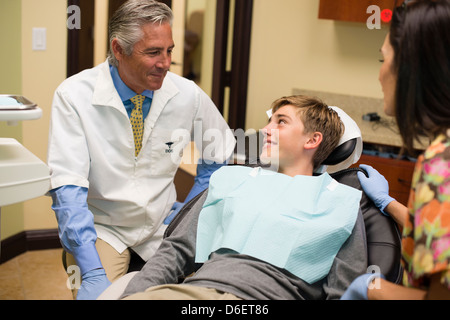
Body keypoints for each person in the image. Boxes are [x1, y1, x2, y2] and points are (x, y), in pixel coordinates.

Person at [47, 0, 235, 300]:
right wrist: (92, 272)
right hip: (103, 228)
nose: (165, 63)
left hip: (163, 225)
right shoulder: (73, 96)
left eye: (169, 50)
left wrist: (188, 212)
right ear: (118, 49)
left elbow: (218, 155)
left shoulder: (187, 94)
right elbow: (67, 188)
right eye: (152, 52)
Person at [98, 95, 368, 300]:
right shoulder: (232, 180)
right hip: (197, 294)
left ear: (312, 140)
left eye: (281, 122)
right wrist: (134, 295)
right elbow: (177, 250)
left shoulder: (341, 204)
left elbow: (345, 290)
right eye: (268, 121)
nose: (265, 130)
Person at [342, 0, 450, 300]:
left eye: (383, 60)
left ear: (412, 69)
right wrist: (388, 203)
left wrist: (372, 288)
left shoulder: (441, 164)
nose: (380, 74)